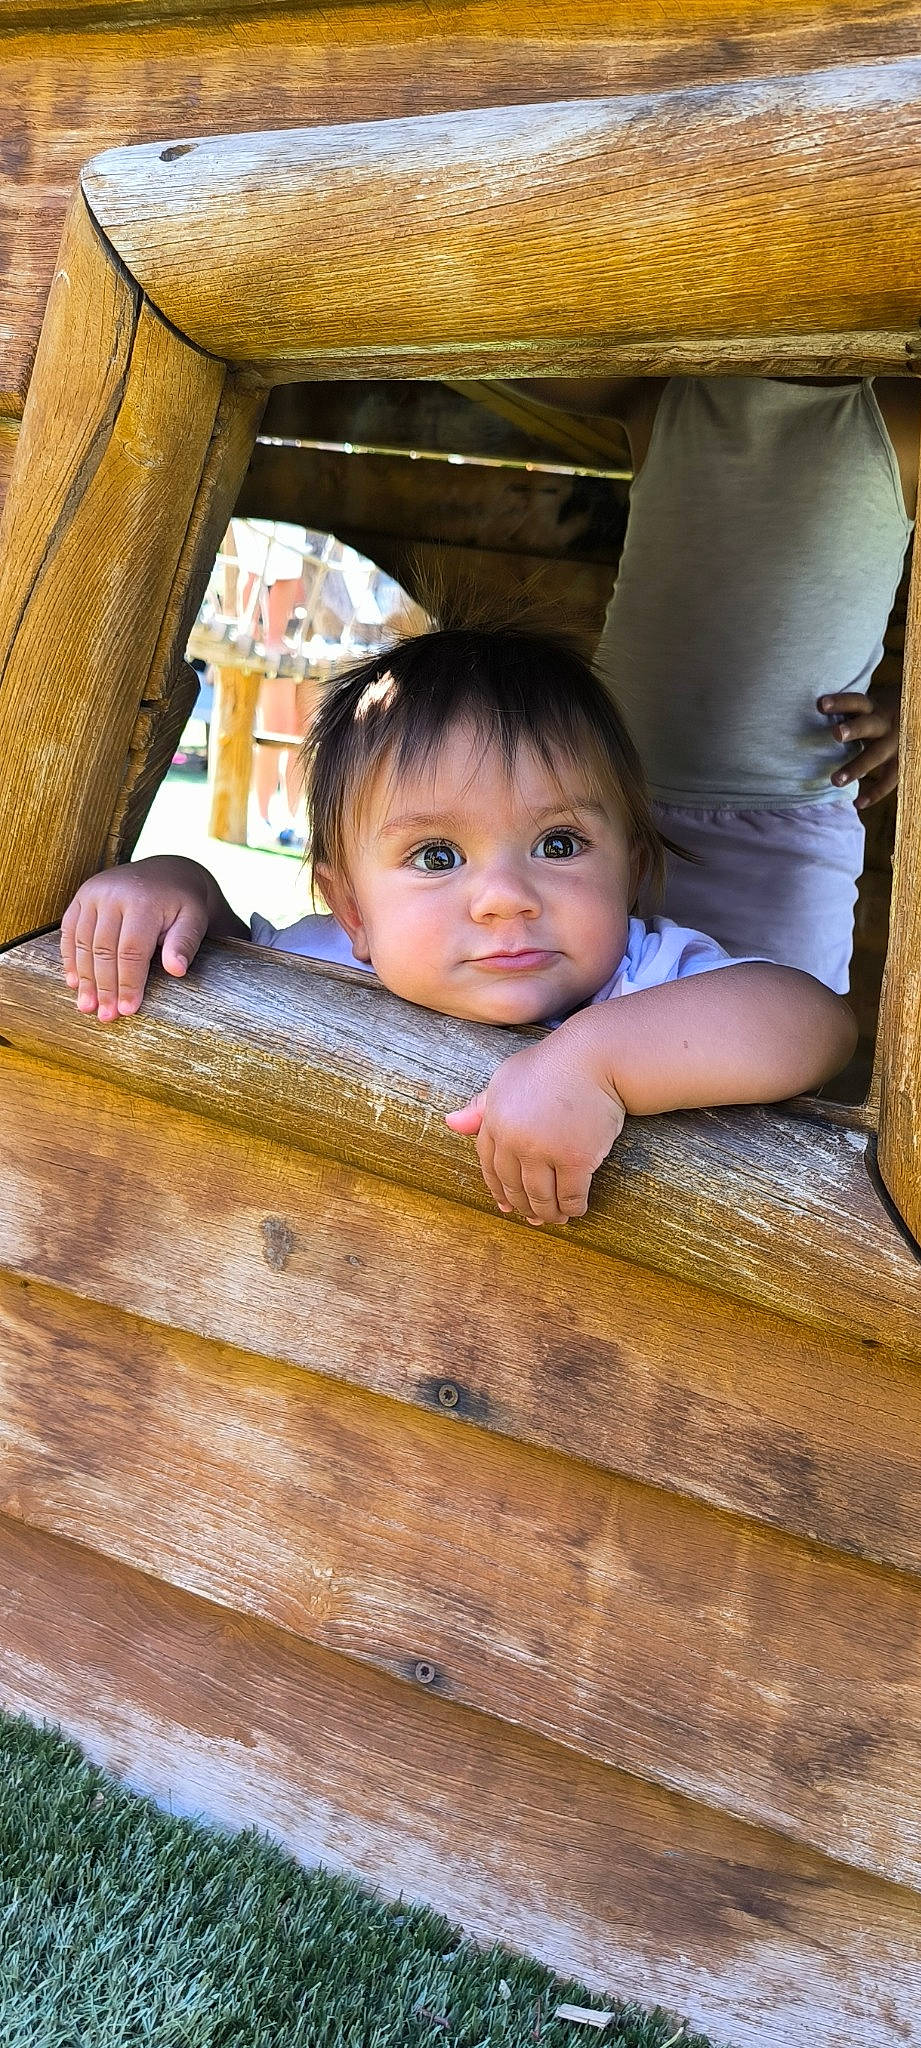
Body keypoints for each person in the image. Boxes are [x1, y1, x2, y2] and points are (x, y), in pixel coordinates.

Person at [59, 622, 856, 1229]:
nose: (504, 898)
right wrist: (174, 883)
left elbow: (814, 1024)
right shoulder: (330, 958)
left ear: (634, 873)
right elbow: (220, 953)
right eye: (437, 856)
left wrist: (595, 1063)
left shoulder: (640, 979)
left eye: (558, 844)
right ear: (351, 912)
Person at [512, 374, 920, 993]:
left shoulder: (900, 412)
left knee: (778, 1049)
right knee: (576, 1037)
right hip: (613, 814)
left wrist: (911, 705)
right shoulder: (671, 388)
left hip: (788, 833)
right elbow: (524, 349)